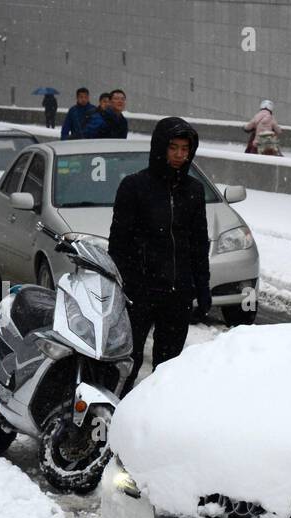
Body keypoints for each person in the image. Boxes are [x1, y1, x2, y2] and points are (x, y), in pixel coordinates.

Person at [108, 117, 210, 393]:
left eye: (185, 149)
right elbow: (118, 244)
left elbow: (199, 243)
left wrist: (202, 288)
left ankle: (157, 419)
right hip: (141, 292)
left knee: (169, 367)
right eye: (173, 147)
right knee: (127, 361)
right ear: (160, 148)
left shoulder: (194, 190)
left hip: (178, 294)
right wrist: (128, 284)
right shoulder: (135, 186)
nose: (179, 155)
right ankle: (115, 415)